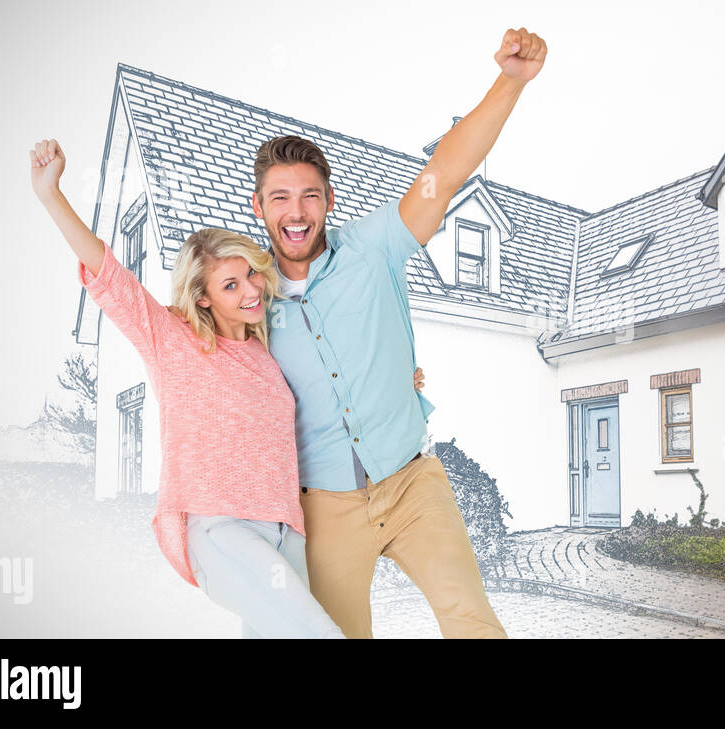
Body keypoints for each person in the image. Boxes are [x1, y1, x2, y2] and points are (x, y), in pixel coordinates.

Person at [29, 137, 423, 638]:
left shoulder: (270, 350)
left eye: (250, 276)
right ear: (205, 299)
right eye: (230, 285)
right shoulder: (176, 341)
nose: (251, 290)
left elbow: (337, 369)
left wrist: (399, 377)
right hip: (223, 529)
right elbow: (110, 276)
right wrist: (51, 196)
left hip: (287, 534)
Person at [252, 26, 547, 639]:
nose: (296, 210)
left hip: (413, 480)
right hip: (325, 505)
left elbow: (446, 169)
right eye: (280, 198)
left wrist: (511, 80)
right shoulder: (248, 301)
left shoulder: (374, 246)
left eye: (309, 195)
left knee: (472, 621)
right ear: (260, 208)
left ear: (329, 200)